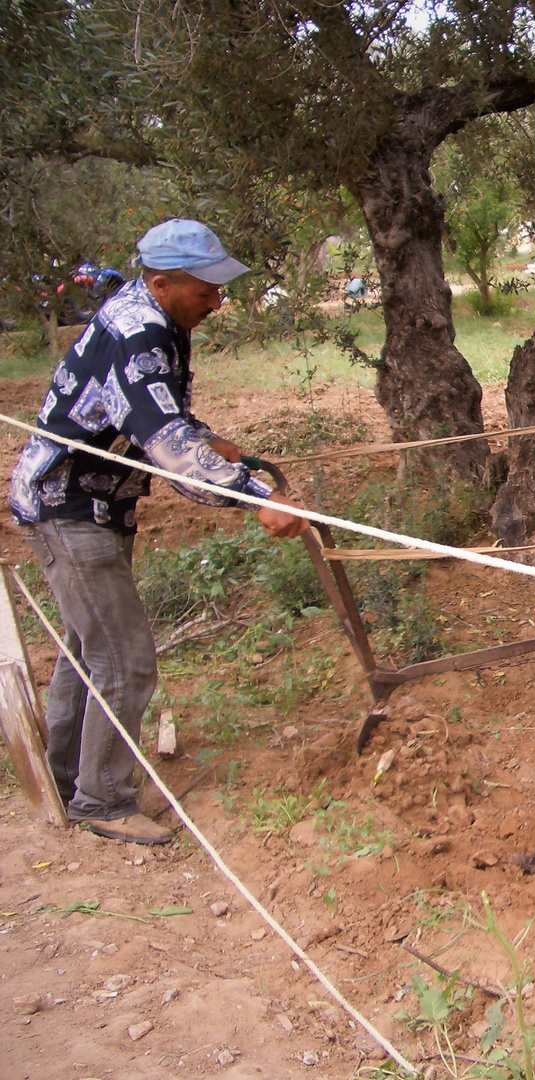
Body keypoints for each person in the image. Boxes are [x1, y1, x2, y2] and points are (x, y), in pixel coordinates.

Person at [10, 219, 308, 845]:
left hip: (84, 505)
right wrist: (257, 497)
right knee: (124, 660)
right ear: (163, 281)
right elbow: (169, 450)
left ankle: (66, 779)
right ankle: (103, 801)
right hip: (70, 508)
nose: (218, 301)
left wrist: (215, 445)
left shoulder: (159, 321)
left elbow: (163, 414)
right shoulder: (139, 330)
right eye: (207, 290)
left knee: (86, 654)